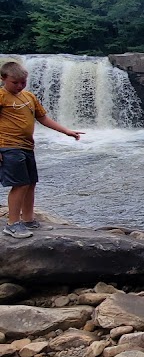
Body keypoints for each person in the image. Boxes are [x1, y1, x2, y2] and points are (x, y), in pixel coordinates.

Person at [0, 60, 84, 239]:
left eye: (23, 82)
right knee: (20, 184)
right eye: (15, 83)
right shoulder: (1, 96)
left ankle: (28, 219)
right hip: (8, 146)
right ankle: (13, 223)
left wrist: (67, 131)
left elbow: (43, 118)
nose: (20, 86)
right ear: (3, 78)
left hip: (27, 146)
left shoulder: (29, 97)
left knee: (30, 182)